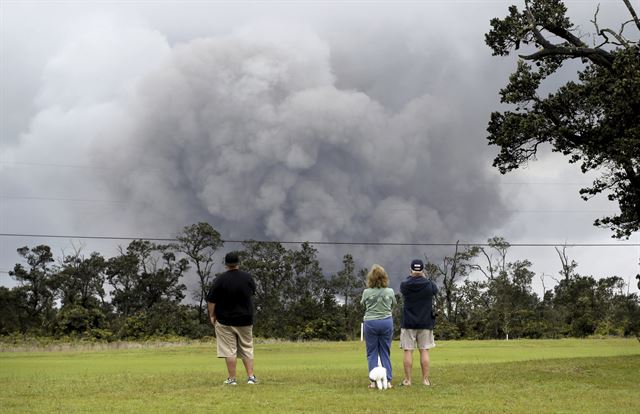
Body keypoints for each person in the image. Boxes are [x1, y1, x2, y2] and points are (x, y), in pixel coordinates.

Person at [206, 251, 258, 385]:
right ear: (238, 263)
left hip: (225, 320)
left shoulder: (220, 279)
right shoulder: (247, 277)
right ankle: (251, 377)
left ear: (226, 265)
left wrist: (212, 315)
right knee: (247, 348)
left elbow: (211, 300)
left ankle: (232, 379)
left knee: (229, 350)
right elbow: (252, 291)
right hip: (245, 319)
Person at [399, 259, 438, 386]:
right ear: (422, 270)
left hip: (409, 322)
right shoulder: (429, 284)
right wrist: (424, 277)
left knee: (408, 351)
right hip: (425, 322)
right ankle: (425, 380)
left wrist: (411, 276)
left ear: (411, 270)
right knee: (424, 350)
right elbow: (435, 290)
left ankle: (408, 380)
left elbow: (404, 287)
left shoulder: (405, 284)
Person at [361, 264, 397, 389]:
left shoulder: (366, 292)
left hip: (370, 322)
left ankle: (373, 381)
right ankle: (388, 381)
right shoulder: (390, 291)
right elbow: (393, 304)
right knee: (384, 352)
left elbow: (364, 305)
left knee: (371, 353)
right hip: (386, 321)